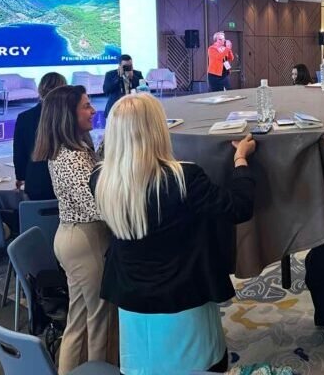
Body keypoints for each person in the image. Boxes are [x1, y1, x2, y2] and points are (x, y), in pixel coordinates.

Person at [93, 94, 256, 374]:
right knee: (198, 365)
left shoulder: (100, 179)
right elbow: (239, 208)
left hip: (131, 296)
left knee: (143, 367)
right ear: (157, 129)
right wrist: (240, 159)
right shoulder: (184, 178)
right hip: (185, 293)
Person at [32, 85, 116, 373]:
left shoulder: (72, 150)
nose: (93, 111)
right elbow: (97, 206)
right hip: (85, 239)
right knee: (99, 319)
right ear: (68, 115)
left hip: (74, 237)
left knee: (78, 319)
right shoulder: (72, 158)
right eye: (86, 106)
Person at [14, 72, 67, 200]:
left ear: (40, 90)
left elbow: (19, 153)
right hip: (67, 185)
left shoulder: (24, 117)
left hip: (36, 184)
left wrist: (21, 177)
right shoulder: (70, 116)